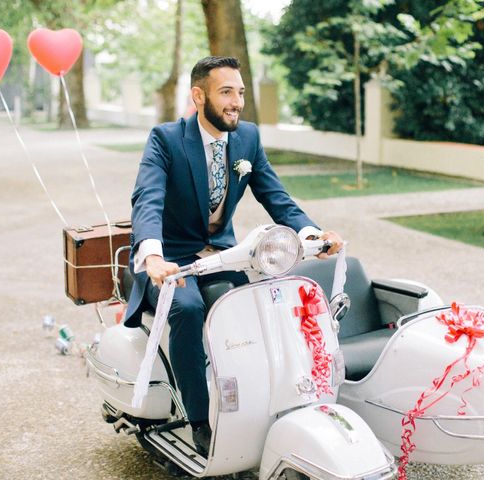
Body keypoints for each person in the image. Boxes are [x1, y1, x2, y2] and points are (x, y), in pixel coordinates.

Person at [125, 56, 343, 456]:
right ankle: (199, 420)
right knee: (188, 310)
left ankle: (266, 401)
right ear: (199, 95)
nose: (236, 102)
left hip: (223, 256)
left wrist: (314, 234)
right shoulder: (166, 139)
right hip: (172, 261)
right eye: (226, 92)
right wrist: (153, 257)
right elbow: (148, 199)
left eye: (240, 92)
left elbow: (277, 198)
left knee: (261, 302)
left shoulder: (247, 139)